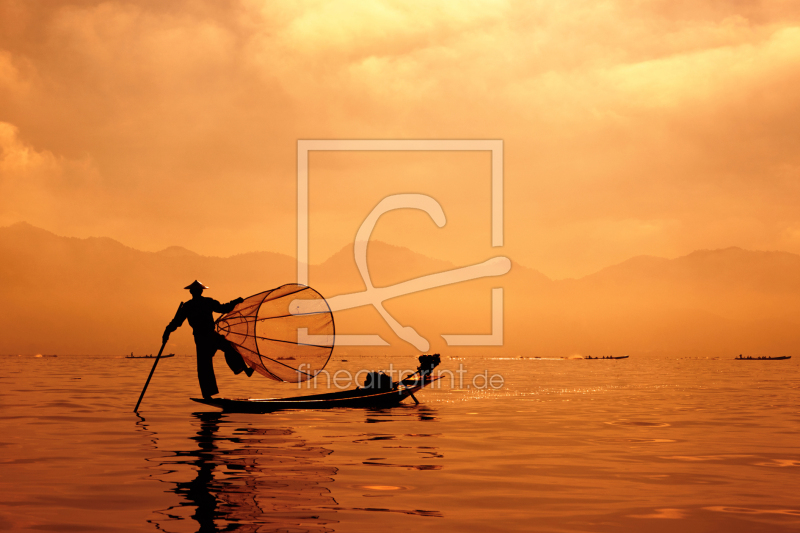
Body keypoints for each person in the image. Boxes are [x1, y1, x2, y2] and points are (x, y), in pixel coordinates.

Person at [163, 280, 254, 398]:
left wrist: (167, 331)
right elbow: (223, 308)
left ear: (192, 292)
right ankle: (242, 369)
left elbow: (176, 322)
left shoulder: (191, 305)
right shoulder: (199, 304)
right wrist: (167, 331)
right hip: (206, 337)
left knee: (208, 362)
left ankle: (210, 391)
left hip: (205, 337)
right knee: (223, 352)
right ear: (199, 292)